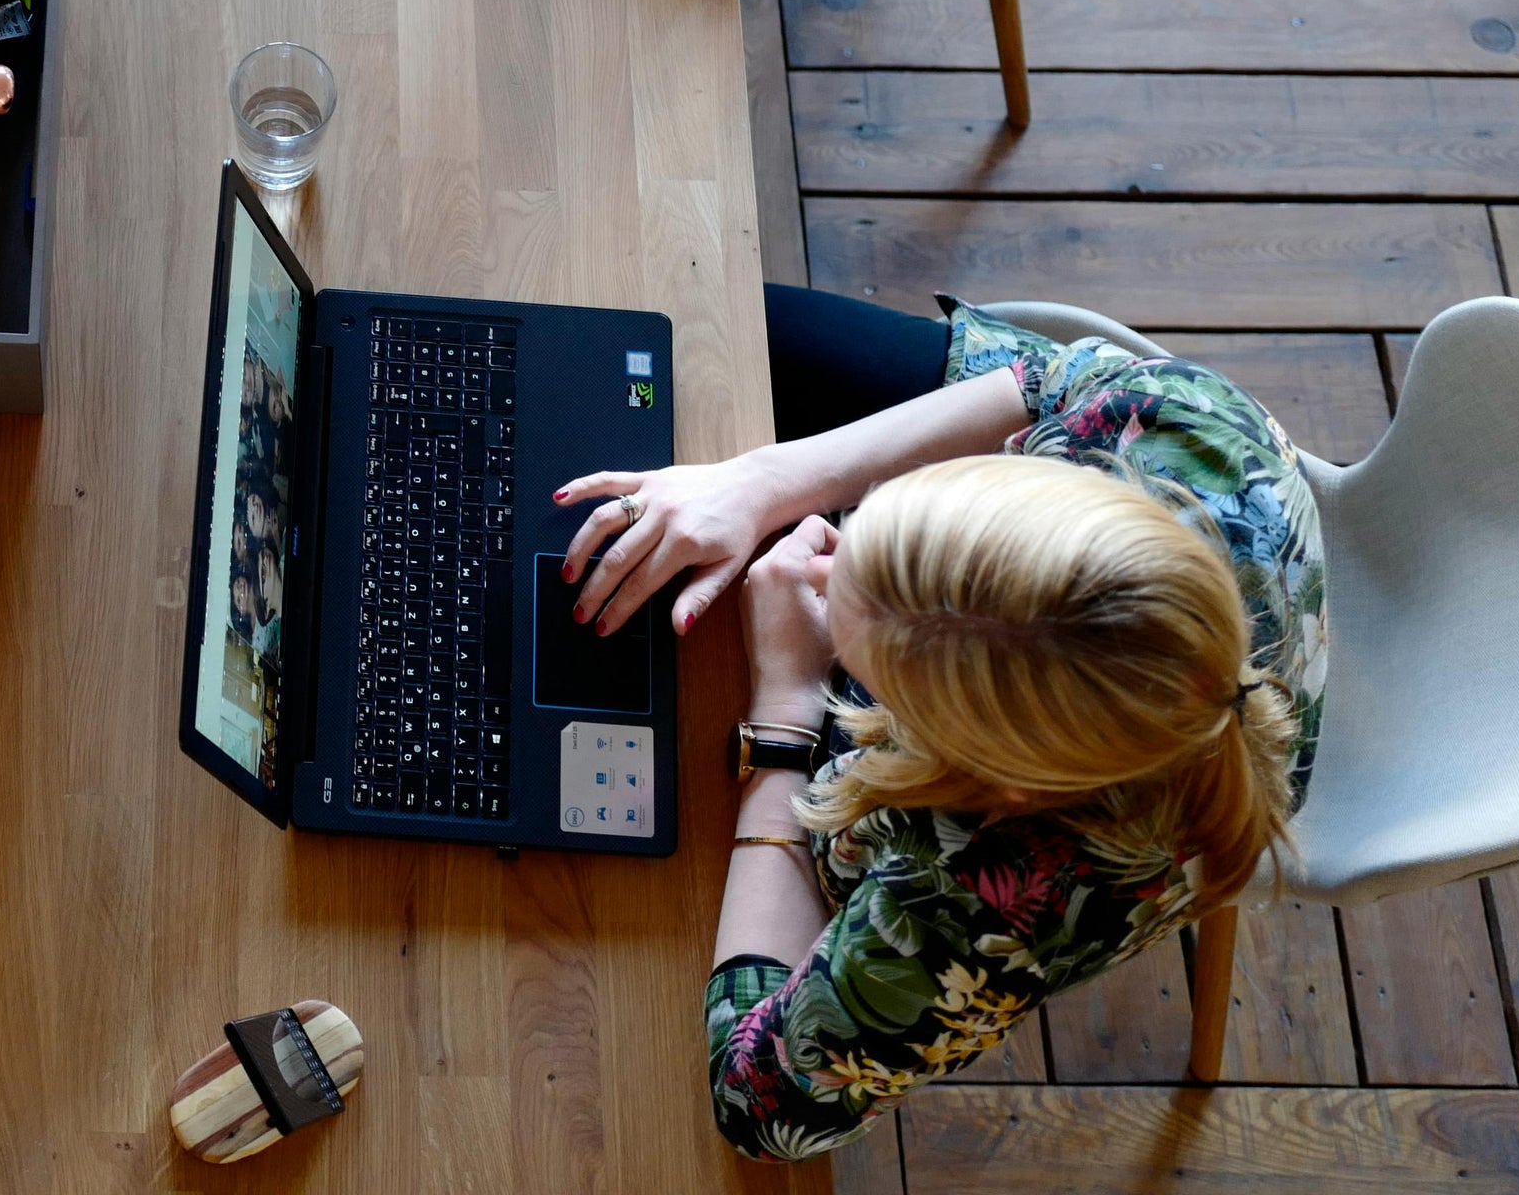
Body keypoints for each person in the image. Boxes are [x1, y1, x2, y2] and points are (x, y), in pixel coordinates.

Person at [550, 291, 1326, 1160]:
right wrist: (758, 483)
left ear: (978, 770)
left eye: (865, 659)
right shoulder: (1188, 423)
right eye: (874, 529)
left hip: (1049, 831)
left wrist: (788, 707)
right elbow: (1037, 380)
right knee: (704, 323)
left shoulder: (986, 900)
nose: (825, 549)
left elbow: (758, 1104)